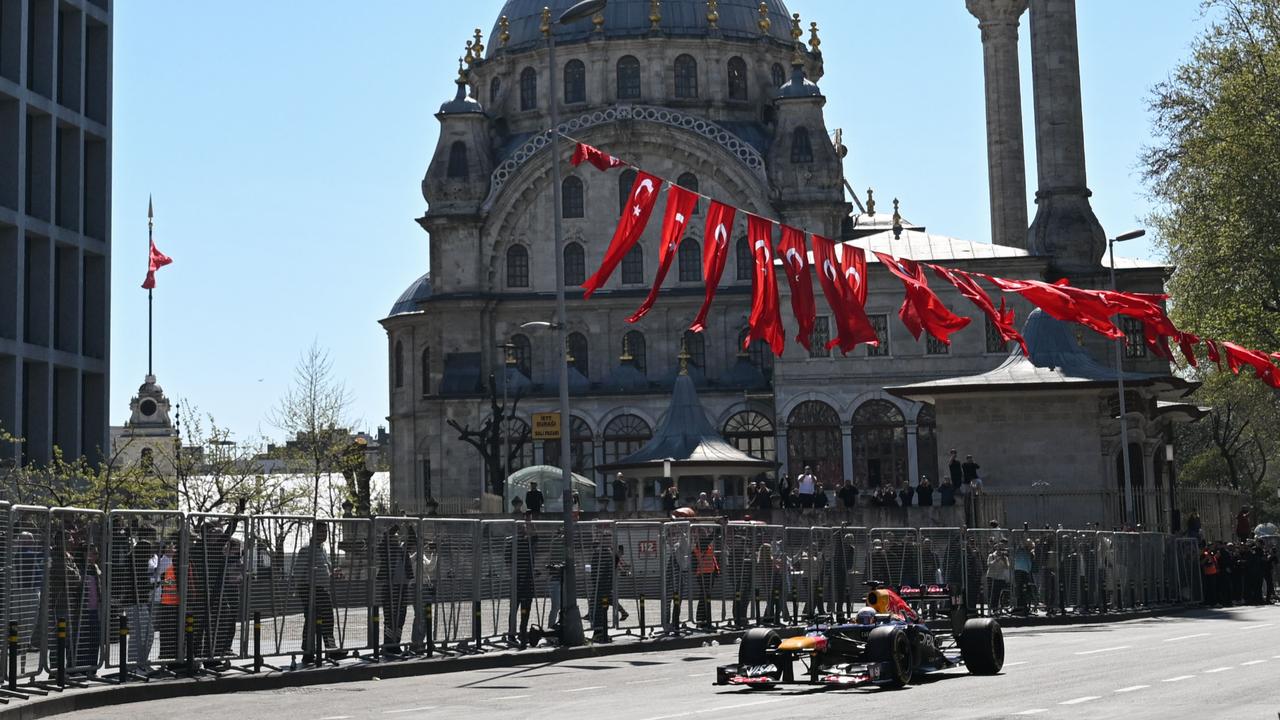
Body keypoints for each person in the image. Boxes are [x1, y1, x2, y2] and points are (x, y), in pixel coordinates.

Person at [296, 522, 343, 662]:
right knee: (311, 620)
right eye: (321, 531)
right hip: (310, 589)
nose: (324, 535)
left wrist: (333, 573)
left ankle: (330, 648)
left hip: (322, 589)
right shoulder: (306, 549)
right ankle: (308, 651)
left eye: (325, 532)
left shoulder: (322, 549)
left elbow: (325, 568)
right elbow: (298, 572)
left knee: (327, 618)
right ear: (314, 532)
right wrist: (303, 590)